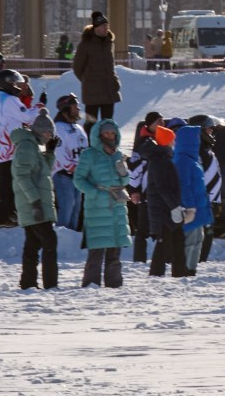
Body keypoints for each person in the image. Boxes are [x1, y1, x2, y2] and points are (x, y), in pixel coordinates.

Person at [73, 118, 131, 288]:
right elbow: (78, 179)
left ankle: (114, 284)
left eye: (112, 132)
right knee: (97, 249)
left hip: (117, 204)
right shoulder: (89, 155)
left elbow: (125, 181)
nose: (110, 135)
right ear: (98, 135)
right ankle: (91, 284)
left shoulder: (118, 154)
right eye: (106, 132)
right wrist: (95, 194)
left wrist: (124, 173)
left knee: (115, 247)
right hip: (97, 206)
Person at [12, 111, 60, 289]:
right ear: (39, 131)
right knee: (49, 241)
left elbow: (42, 172)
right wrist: (35, 202)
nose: (50, 136)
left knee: (33, 244)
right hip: (33, 204)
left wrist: (50, 152)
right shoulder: (27, 146)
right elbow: (22, 175)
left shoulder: (32, 147)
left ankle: (28, 283)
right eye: (48, 132)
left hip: (33, 203)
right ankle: (50, 284)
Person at [0, 66, 35, 231]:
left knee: (7, 181)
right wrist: (40, 107)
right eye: (15, 83)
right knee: (8, 183)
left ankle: (8, 213)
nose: (18, 87)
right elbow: (27, 117)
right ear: (7, 83)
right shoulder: (9, 100)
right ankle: (3, 217)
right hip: (9, 146)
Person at [142, 123, 188, 278]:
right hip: (163, 210)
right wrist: (174, 206)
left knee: (176, 241)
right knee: (165, 244)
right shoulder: (159, 160)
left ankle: (179, 273)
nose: (174, 143)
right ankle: (157, 275)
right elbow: (162, 187)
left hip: (167, 208)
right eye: (172, 140)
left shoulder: (163, 158)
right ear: (166, 141)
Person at [171, 121, 213, 275]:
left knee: (197, 240)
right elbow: (184, 186)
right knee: (190, 241)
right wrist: (190, 208)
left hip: (197, 207)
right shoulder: (183, 160)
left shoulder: (191, 159)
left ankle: (190, 268)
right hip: (191, 209)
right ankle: (186, 269)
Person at [72, 11, 121, 124]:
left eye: (107, 25)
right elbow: (77, 67)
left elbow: (110, 66)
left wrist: (115, 81)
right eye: (104, 26)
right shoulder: (85, 44)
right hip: (92, 93)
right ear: (96, 27)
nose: (106, 28)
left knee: (108, 125)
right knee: (90, 124)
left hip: (109, 91)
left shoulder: (109, 43)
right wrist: (88, 80)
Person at [127, 112, 162, 264]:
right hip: (146, 192)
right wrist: (134, 190)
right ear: (150, 124)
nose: (161, 124)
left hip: (159, 191)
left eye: (162, 121)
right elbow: (134, 170)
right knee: (143, 229)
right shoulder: (143, 143)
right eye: (158, 122)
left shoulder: (161, 140)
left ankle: (160, 258)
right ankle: (139, 259)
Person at [51, 94, 88, 237]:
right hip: (63, 175)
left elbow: (85, 151)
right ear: (66, 109)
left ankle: (71, 240)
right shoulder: (58, 128)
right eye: (75, 106)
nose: (78, 109)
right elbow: (58, 152)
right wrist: (71, 167)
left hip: (78, 177)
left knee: (76, 211)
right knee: (66, 209)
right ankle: (60, 239)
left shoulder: (79, 128)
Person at [189, 115, 224, 263]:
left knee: (207, 235)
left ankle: (199, 263)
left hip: (210, 200)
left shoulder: (206, 149)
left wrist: (217, 201)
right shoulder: (197, 150)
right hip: (202, 201)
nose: (211, 131)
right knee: (200, 236)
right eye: (208, 128)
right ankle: (194, 264)